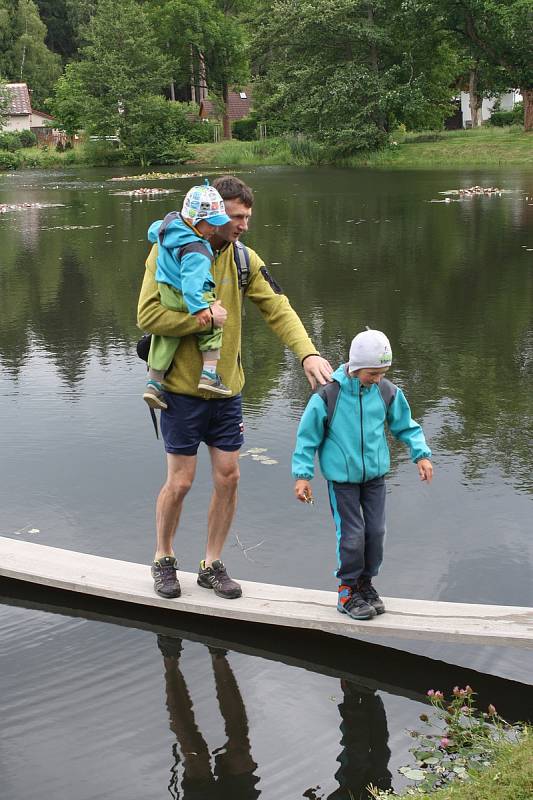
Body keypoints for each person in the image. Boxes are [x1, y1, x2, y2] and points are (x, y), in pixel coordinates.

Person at [137, 175, 332, 601]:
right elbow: (148, 316)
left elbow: (278, 308)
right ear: (215, 214)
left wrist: (308, 353)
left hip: (227, 391)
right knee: (182, 482)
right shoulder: (167, 251)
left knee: (229, 477)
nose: (244, 225)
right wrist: (201, 320)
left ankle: (211, 563)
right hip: (180, 390)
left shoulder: (244, 260)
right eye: (238, 217)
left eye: (247, 217)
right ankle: (164, 558)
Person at [292, 329, 433, 621]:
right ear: (355, 367)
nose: (378, 378)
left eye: (383, 372)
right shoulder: (328, 394)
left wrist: (421, 455)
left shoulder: (386, 392)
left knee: (376, 533)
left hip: (375, 479)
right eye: (373, 373)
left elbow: (406, 425)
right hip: (342, 481)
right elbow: (307, 438)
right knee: (353, 535)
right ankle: (346, 590)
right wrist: (303, 475)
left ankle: (365, 584)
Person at [143, 181, 232, 410]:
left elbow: (153, 232)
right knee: (213, 325)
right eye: (211, 224)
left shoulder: (170, 224)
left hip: (166, 292)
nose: (215, 229)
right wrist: (203, 310)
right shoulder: (198, 251)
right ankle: (209, 376)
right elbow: (192, 286)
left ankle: (153, 384)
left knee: (165, 336)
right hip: (186, 295)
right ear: (195, 221)